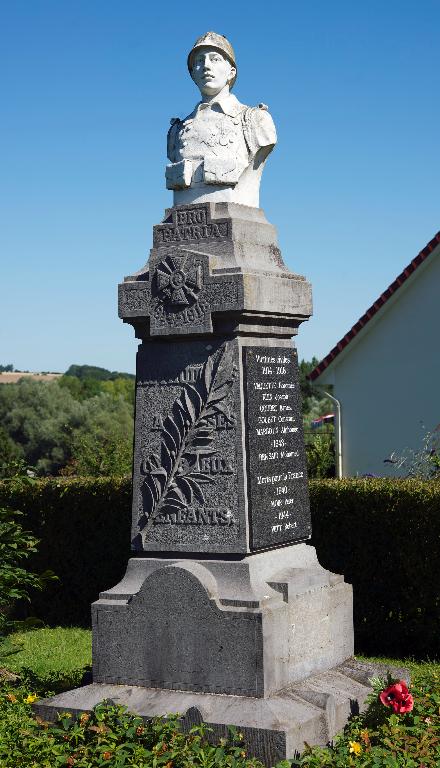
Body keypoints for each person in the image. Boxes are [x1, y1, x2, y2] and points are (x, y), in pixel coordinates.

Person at [166, 31, 277, 208]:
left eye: (215, 59)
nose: (206, 66)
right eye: (199, 61)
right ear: (193, 74)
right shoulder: (177, 131)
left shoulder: (255, 120)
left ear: (231, 72)